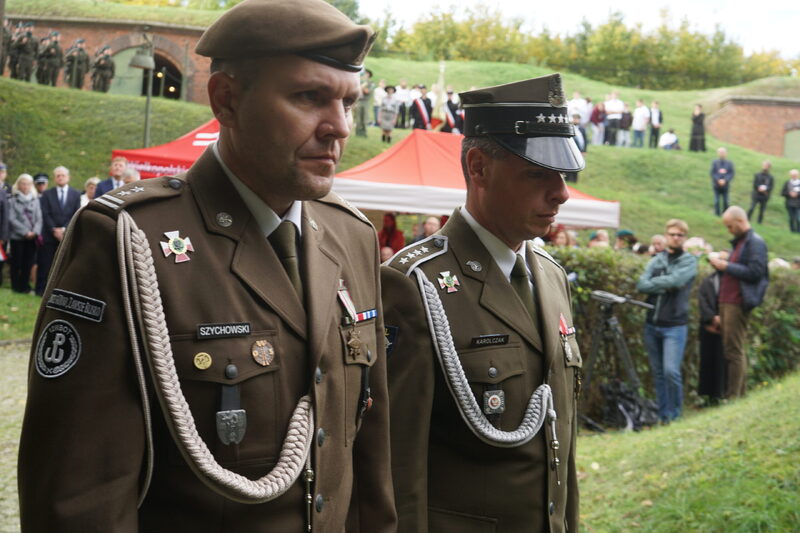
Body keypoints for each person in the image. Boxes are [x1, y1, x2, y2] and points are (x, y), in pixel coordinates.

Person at [19, 2, 397, 531]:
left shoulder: (351, 236)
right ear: (227, 99)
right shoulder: (129, 239)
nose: (338, 127)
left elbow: (367, 462)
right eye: (309, 97)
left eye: (348, 102)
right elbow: (81, 496)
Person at [383, 73, 583, 532]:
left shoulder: (550, 277)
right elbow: (396, 465)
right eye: (538, 173)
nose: (562, 192)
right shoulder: (414, 285)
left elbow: (560, 448)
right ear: (478, 167)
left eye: (564, 173)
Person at [636, 219, 697, 423]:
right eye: (672, 234)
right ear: (666, 235)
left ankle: (676, 414)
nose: (675, 237)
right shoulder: (657, 260)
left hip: (675, 325)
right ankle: (664, 416)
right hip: (652, 324)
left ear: (684, 238)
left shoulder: (689, 261)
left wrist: (659, 283)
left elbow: (678, 281)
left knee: (671, 371)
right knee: (659, 373)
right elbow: (642, 285)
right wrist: (665, 284)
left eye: (680, 235)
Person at [709, 206, 768, 399]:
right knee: (730, 349)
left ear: (741, 221)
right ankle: (736, 394)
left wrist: (727, 266)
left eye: (730, 226)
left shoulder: (755, 243)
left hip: (738, 302)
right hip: (727, 301)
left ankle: (734, 396)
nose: (729, 231)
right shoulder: (740, 242)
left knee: (734, 351)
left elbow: (755, 273)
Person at [35, 165, 80, 296]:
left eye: (63, 175)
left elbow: (75, 212)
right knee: (45, 264)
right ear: (54, 178)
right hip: (49, 234)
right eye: (58, 176)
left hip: (66, 235)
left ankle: (60, 291)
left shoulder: (76, 194)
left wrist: (64, 229)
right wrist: (54, 229)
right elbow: (45, 213)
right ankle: (40, 290)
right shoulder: (47, 194)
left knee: (64, 265)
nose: (60, 178)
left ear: (68, 177)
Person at [697, 250, 728, 406]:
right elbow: (702, 300)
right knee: (708, 362)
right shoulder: (708, 281)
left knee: (724, 362)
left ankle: (723, 393)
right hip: (709, 328)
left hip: (728, 328)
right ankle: (708, 396)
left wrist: (724, 319)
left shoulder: (733, 282)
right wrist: (712, 318)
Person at [8, 174, 42, 294]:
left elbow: (39, 218)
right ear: (18, 184)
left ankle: (24, 286)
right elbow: (11, 219)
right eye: (23, 183)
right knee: (17, 262)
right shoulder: (12, 200)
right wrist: (25, 232)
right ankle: (15, 286)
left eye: (28, 184)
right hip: (18, 237)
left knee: (28, 263)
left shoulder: (35, 199)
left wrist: (35, 232)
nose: (25, 186)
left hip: (32, 237)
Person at [710, 147, 734, 216]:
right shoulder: (715, 163)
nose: (722, 154)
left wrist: (725, 180)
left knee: (726, 201)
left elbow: (731, 173)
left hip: (725, 186)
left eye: (723, 153)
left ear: (726, 154)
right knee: (716, 201)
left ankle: (726, 215)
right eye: (720, 152)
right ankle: (717, 215)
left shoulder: (729, 163)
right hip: (716, 186)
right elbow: (712, 173)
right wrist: (718, 180)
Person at [355, 68, 373, 137]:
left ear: (369, 75)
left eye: (367, 74)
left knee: (365, 118)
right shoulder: (359, 82)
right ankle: (358, 133)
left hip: (366, 102)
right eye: (364, 73)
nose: (365, 75)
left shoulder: (371, 83)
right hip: (359, 101)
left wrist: (362, 87)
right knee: (358, 118)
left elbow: (367, 91)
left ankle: (364, 132)